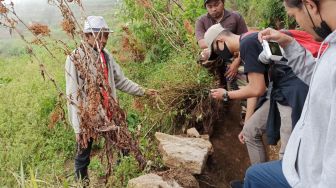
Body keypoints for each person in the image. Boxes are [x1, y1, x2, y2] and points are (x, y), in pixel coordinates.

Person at [240, 0, 336, 187]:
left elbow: (256, 88)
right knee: (254, 174)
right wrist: (289, 44)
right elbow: (318, 77)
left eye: (293, 16)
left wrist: (226, 95)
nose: (299, 25)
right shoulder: (330, 47)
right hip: (303, 165)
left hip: (311, 177)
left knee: (254, 176)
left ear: (310, 5)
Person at [65, 16, 157, 184]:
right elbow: (72, 95)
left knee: (124, 144)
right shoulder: (75, 58)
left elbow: (121, 80)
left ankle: (126, 175)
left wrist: (143, 91)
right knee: (83, 155)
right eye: (99, 36)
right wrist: (78, 128)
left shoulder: (105, 56)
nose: (104, 40)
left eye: (106, 36)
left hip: (109, 111)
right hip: (88, 117)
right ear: (86, 36)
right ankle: (82, 184)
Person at [206, 24, 308, 165]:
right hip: (281, 91)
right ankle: (259, 177)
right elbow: (253, 87)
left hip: (292, 94)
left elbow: (257, 89)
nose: (219, 55)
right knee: (250, 132)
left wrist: (226, 95)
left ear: (221, 41)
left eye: (217, 51)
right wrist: (247, 123)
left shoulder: (247, 44)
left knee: (287, 156)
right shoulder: (249, 38)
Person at [196, 0, 248, 82]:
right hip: (216, 52)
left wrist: (236, 63)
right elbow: (202, 43)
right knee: (204, 55)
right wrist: (218, 43)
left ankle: (239, 79)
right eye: (210, 7)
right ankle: (216, 80)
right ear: (206, 7)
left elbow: (244, 40)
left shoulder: (235, 17)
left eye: (216, 5)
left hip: (234, 53)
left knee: (242, 53)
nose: (214, 9)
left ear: (223, 2)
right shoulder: (202, 20)